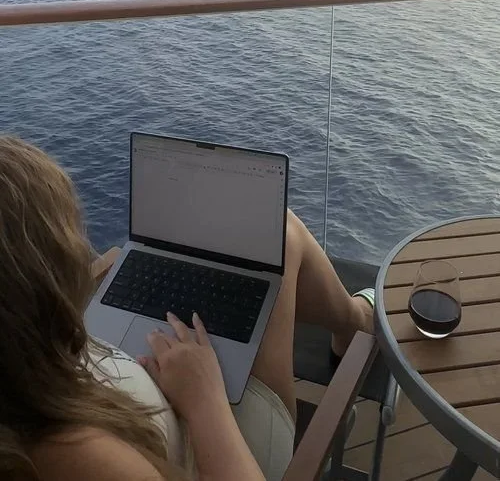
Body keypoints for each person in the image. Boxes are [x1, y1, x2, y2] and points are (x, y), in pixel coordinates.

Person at [0, 136, 373, 481]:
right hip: (218, 439)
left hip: (139, 388)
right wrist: (204, 398)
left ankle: (352, 320)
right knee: (281, 232)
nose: (80, 247)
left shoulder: (20, 383)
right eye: (69, 234)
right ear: (37, 292)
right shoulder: (77, 453)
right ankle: (356, 322)